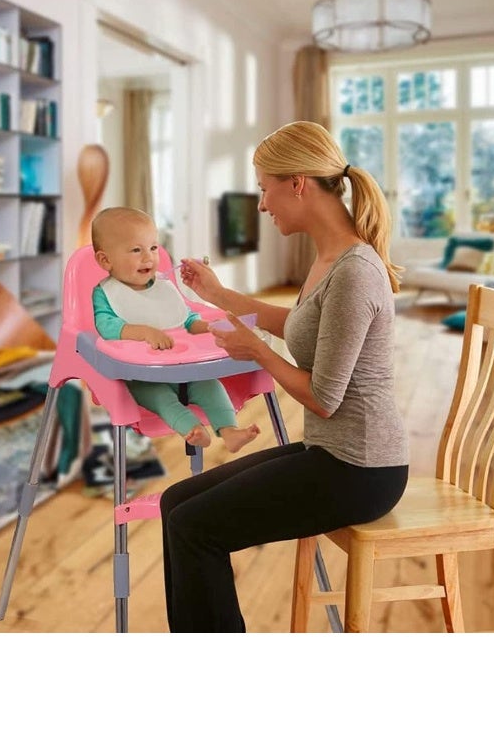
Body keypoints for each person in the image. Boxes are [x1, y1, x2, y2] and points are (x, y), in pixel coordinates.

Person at [160, 120, 409, 632]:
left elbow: (324, 400)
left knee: (193, 527)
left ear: (296, 183)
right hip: (332, 455)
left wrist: (256, 352)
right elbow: (294, 323)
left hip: (361, 470)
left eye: (263, 189)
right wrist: (217, 293)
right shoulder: (330, 259)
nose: (261, 205)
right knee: (175, 501)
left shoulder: (355, 270)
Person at [91, 207, 260, 453]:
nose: (148, 257)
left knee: (211, 385)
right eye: (136, 250)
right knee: (161, 398)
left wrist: (209, 327)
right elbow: (106, 326)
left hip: (186, 372)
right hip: (144, 377)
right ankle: (193, 430)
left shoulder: (163, 285)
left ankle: (229, 431)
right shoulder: (106, 293)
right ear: (106, 260)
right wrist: (146, 333)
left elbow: (185, 318)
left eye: (153, 248)